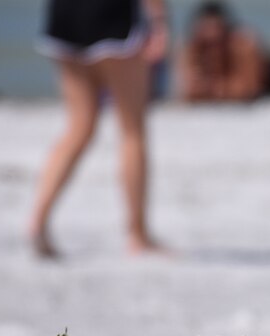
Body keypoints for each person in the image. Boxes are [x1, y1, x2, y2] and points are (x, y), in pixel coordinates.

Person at [30, 0, 168, 257]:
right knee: (132, 130)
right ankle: (137, 234)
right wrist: (159, 22)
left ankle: (38, 221)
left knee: (78, 127)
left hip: (64, 14)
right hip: (112, 16)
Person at [176, 1, 270, 103]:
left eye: (217, 41)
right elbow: (189, 92)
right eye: (207, 42)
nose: (213, 47)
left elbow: (248, 90)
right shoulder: (191, 49)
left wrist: (212, 89)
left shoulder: (243, 45)